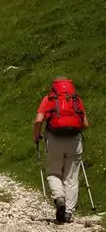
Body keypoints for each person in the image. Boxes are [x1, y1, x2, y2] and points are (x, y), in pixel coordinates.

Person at [33, 76, 89, 224]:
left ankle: (59, 198)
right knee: (71, 177)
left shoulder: (49, 99)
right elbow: (85, 124)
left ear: (54, 87)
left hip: (54, 140)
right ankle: (68, 213)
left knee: (53, 173)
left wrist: (36, 135)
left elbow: (39, 120)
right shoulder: (76, 100)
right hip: (74, 140)